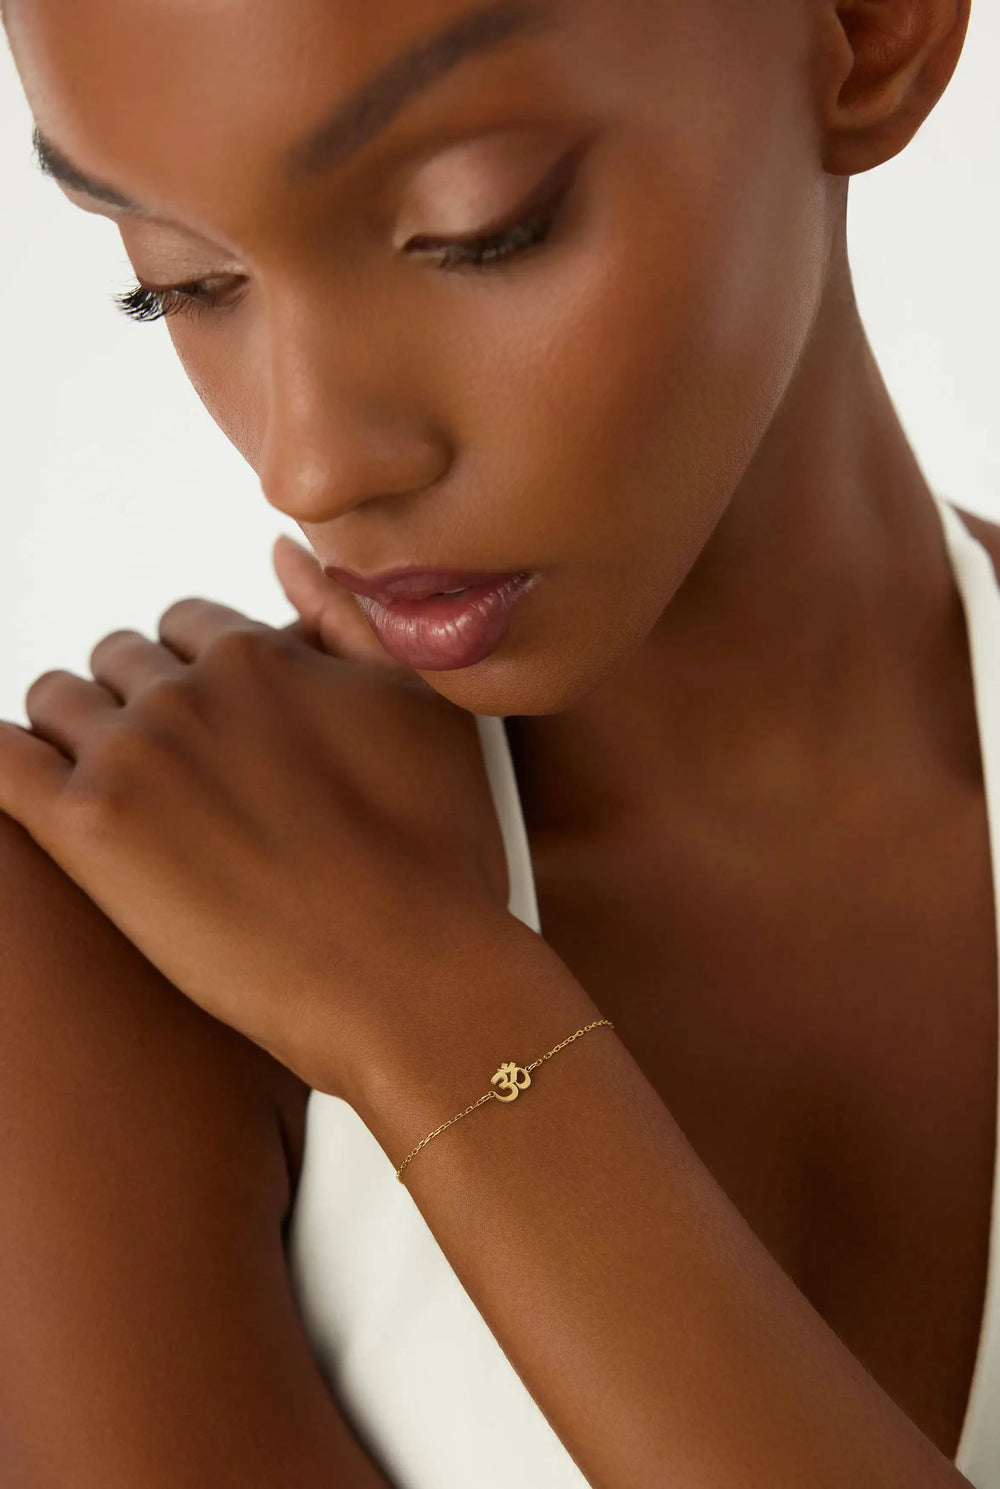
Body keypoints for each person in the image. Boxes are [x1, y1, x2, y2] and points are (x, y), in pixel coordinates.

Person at [0, 0, 994, 1484]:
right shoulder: (103, 941)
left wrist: (440, 1015)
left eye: (476, 233)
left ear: (867, 33)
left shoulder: (299, 973)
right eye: (184, 283)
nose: (312, 462)